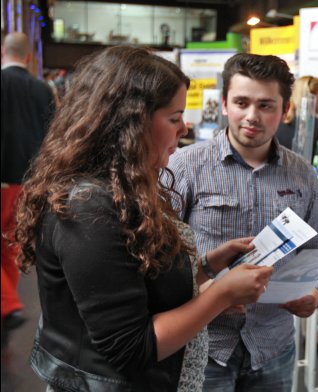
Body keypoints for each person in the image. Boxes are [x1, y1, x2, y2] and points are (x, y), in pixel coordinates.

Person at [12, 46, 272, 392]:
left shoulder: (123, 187)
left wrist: (208, 266)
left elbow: (134, 284)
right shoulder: (87, 207)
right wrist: (221, 295)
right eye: (174, 117)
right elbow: (131, 348)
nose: (184, 128)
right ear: (132, 122)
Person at [167, 53, 318, 391]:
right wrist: (208, 287)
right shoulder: (185, 166)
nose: (252, 116)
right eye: (241, 102)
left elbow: (317, 251)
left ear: (285, 110)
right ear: (224, 104)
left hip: (273, 346)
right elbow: (159, 261)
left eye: (266, 106)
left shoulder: (301, 174)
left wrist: (314, 293)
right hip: (205, 346)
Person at [1, 32, 54, 334]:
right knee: (8, 245)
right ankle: (6, 304)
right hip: (30, 184)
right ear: (30, 56)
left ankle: (8, 304)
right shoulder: (42, 89)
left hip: (4, 180)